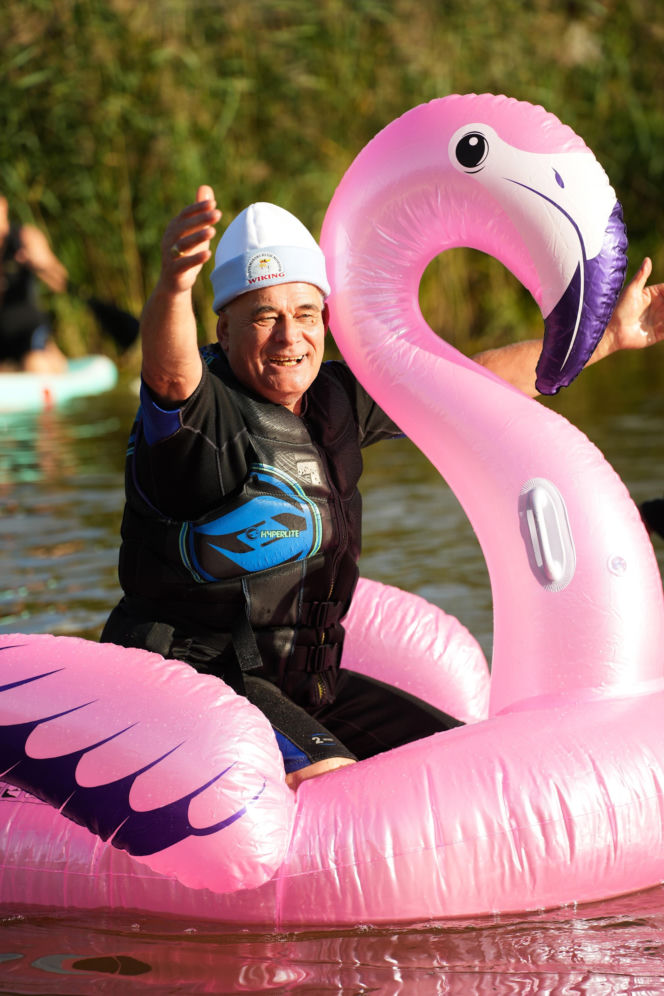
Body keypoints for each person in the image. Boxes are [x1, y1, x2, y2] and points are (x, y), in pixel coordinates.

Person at [102, 184, 664, 789]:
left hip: (310, 686)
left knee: (472, 766)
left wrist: (604, 340)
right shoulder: (195, 417)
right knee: (341, 788)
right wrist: (173, 285)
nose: (290, 338)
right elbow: (168, 369)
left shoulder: (337, 399)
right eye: (264, 317)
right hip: (203, 678)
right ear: (224, 328)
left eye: (306, 314)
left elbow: (468, 381)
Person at [0, 194, 68, 373]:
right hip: (2, 336)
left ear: (4, 208)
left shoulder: (25, 237)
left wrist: (39, 263)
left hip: (27, 330)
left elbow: (60, 282)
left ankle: (52, 358)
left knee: (34, 363)